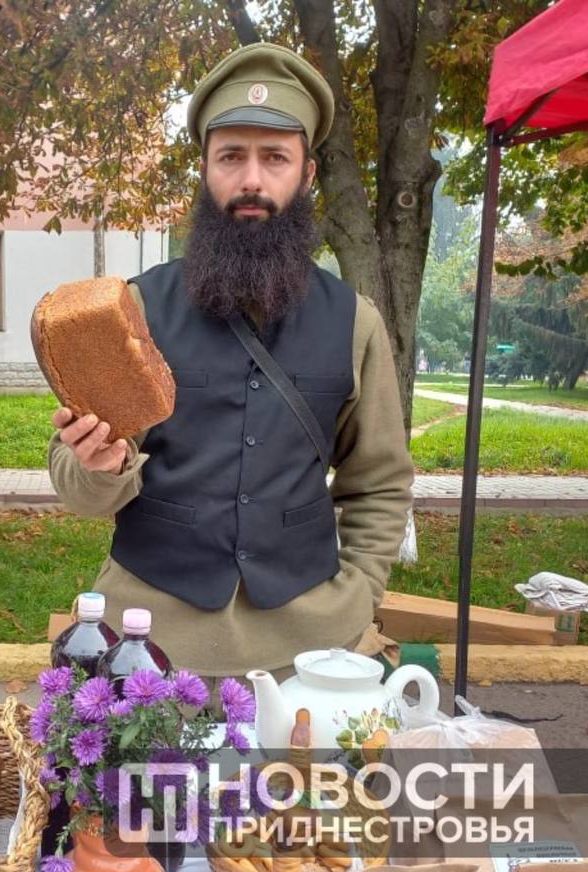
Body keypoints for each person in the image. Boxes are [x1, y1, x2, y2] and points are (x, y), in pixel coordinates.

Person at [45, 43, 414, 686]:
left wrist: (361, 592)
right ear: (205, 169)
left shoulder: (355, 323)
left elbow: (379, 483)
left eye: (275, 157)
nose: (252, 180)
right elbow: (79, 486)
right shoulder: (134, 309)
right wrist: (97, 467)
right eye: (231, 156)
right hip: (149, 645)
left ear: (307, 173)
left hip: (310, 647)